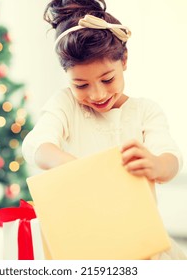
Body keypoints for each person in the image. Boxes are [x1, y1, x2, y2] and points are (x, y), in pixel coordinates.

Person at [22, 0, 186, 259]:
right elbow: (35, 146)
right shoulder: (66, 105)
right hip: (84, 246)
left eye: (107, 79)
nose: (97, 94)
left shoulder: (145, 111)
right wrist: (80, 170)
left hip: (140, 247)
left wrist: (155, 164)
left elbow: (171, 159)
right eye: (80, 85)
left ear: (124, 60)